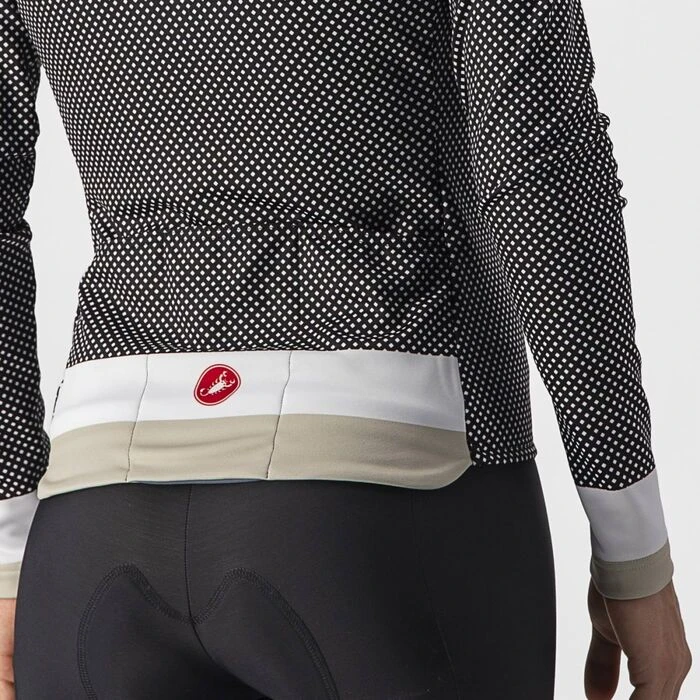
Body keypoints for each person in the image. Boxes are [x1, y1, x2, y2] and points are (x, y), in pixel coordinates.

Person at [0, 0, 691, 697]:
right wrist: (632, 549)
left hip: (92, 525)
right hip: (383, 487)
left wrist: (7, 554)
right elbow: (541, 168)